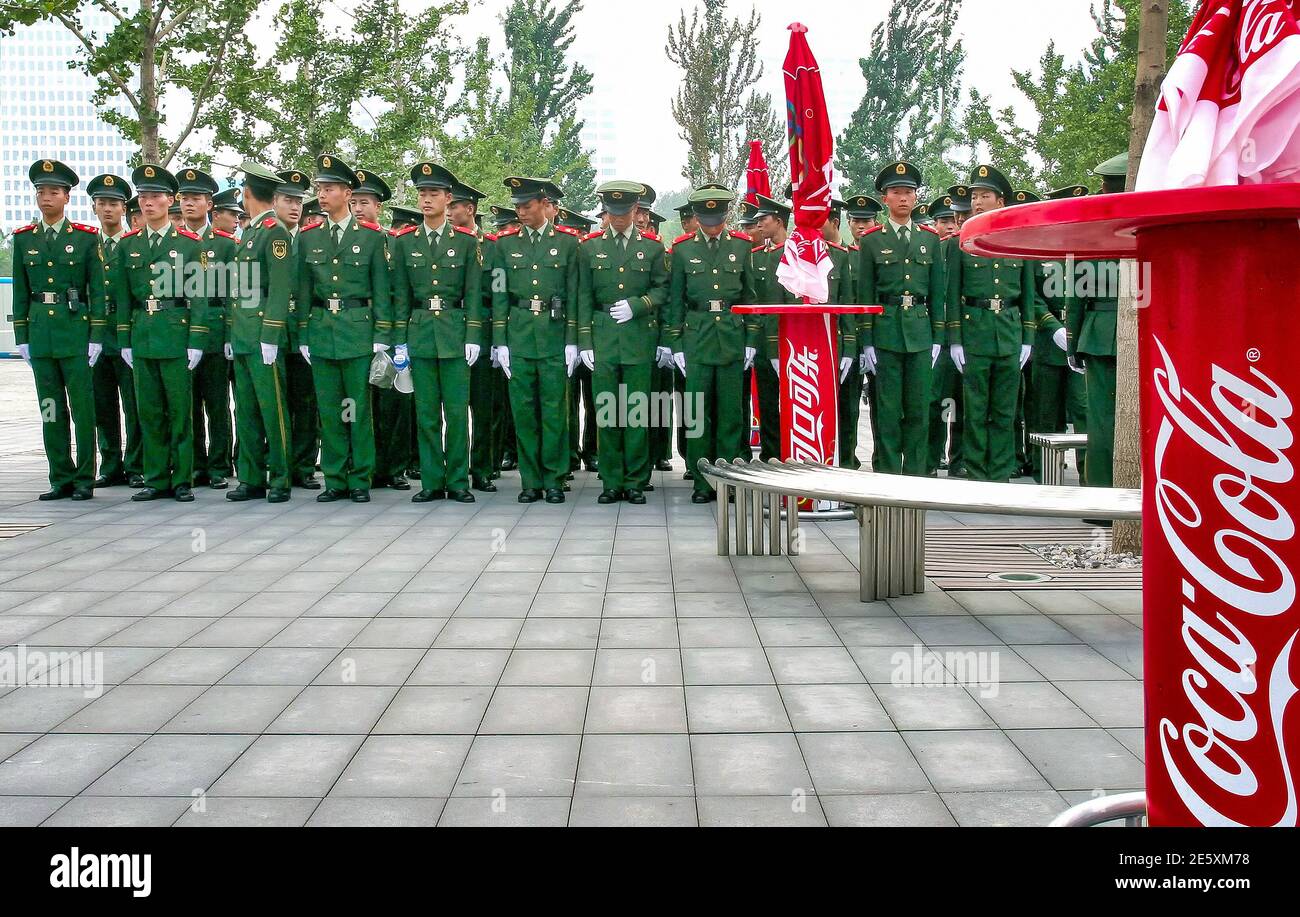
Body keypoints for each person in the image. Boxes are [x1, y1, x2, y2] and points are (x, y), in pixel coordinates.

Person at [296, 154, 393, 503]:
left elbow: (381, 290)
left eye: (330, 188)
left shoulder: (370, 237)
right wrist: (304, 335)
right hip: (322, 330)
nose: (323, 195)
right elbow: (304, 291)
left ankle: (360, 478)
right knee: (330, 410)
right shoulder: (308, 237)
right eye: (320, 188)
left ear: (348, 193)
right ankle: (334, 478)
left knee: (358, 408)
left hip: (357, 332)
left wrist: (383, 336)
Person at [112, 163, 211, 502]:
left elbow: (199, 295)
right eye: (143, 196)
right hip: (143, 334)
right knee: (149, 410)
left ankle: (182, 478)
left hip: (175, 331)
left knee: (179, 409)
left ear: (170, 200)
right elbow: (123, 297)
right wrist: (124, 338)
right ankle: (155, 477)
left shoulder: (188, 244)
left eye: (155, 196)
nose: (148, 202)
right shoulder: (128, 245)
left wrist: (197, 339)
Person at [390, 161, 485, 503]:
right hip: (420, 333)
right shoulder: (404, 242)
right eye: (422, 194)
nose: (426, 200)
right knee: (427, 413)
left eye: (433, 194)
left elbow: (473, 293)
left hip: (454, 333)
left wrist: (473, 335)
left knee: (457, 414)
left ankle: (458, 480)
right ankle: (432, 480)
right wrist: (399, 340)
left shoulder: (465, 241)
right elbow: (401, 295)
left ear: (448, 198)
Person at [12, 158, 107, 501]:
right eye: (41, 191)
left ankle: (85, 477)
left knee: (82, 409)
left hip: (75, 333)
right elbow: (20, 293)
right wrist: (21, 337)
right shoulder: (24, 239)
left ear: (67, 197)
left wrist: (96, 336)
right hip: (41, 336)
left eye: (54, 191)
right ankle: (60, 476)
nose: (46, 197)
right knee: (50, 408)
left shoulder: (84, 238)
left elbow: (97, 291)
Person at [577, 180, 669, 504]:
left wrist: (638, 304)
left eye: (624, 211)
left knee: (635, 411)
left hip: (638, 336)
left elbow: (662, 290)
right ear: (606, 211)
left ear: (635, 210)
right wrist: (584, 342)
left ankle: (635, 481)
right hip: (602, 334)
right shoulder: (589, 248)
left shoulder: (654, 248)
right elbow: (583, 297)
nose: (618, 218)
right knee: (606, 410)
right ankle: (611, 480)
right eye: (612, 212)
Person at [664, 186, 757, 503]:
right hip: (697, 335)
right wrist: (675, 343)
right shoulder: (682, 250)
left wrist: (752, 340)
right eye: (706, 217)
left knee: (731, 413)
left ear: (725, 216)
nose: (712, 224)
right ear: (697, 217)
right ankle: (703, 481)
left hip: (732, 335)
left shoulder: (743, 247)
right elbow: (675, 301)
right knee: (699, 413)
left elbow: (750, 297)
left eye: (717, 217)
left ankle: (729, 480)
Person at [946, 164, 1037, 483]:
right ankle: (977, 472)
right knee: (976, 408)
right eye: (975, 196)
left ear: (1001, 201)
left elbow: (1027, 293)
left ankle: (999, 473)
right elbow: (952, 291)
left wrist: (1027, 337)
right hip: (976, 332)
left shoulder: (1017, 240)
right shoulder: (961, 242)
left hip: (1009, 332)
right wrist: (955, 339)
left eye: (985, 196)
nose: (977, 202)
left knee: (1005, 410)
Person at [490, 177, 579, 504]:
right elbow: (499, 295)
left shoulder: (569, 244)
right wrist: (500, 341)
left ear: (544, 204)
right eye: (517, 206)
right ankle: (530, 480)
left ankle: (554, 479)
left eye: (527, 206)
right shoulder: (505, 244)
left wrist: (573, 340)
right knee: (524, 412)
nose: (521, 212)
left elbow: (574, 294)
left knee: (554, 411)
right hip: (520, 335)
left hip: (554, 336)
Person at [857, 161, 945, 476]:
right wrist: (866, 342)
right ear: (885, 198)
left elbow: (938, 293)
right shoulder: (871, 241)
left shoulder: (930, 239)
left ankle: (917, 475)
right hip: (886, 333)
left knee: (920, 409)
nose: (904, 198)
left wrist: (938, 338)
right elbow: (865, 295)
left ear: (916, 196)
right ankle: (888, 473)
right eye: (897, 192)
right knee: (888, 410)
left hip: (920, 332)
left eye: (909, 192)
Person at [223, 162, 294, 504]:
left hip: (263, 332)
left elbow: (280, 288)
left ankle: (280, 475)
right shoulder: (250, 233)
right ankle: (251, 476)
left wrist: (271, 334)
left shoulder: (274, 232)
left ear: (246, 193)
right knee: (246, 408)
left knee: (273, 408)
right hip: (243, 332)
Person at [1066, 154, 1126, 490]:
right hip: (1141, 333)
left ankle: (1101, 493)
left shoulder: (1090, 232)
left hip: (1099, 333)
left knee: (1101, 419)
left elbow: (1076, 294)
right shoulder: (1150, 224)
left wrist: (1073, 343)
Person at [177, 167, 236, 490]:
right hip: (181, 329)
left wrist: (228, 333)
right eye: (185, 198)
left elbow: (232, 295)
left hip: (214, 330)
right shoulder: (173, 241)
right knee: (188, 404)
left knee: (216, 403)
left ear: (209, 204)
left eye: (196, 198)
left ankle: (218, 465)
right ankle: (195, 464)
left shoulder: (225, 245)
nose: (189, 204)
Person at [1027, 186, 1091, 483]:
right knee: (1045, 410)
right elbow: (1032, 296)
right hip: (1049, 339)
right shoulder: (1039, 249)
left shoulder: (1091, 247)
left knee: (1082, 409)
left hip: (1080, 341)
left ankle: (1088, 473)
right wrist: (1052, 326)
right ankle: (1045, 473)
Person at [87, 172, 143, 489]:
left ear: (124, 208)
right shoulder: (86, 244)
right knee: (102, 405)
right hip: (96, 334)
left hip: (128, 334)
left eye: (114, 203)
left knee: (134, 404)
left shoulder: (132, 244)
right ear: (94, 207)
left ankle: (136, 464)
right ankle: (110, 465)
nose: (107, 209)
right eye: (102, 203)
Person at [273, 169, 320, 489]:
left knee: (306, 403)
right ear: (273, 201)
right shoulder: (265, 236)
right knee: (278, 401)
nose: (294, 207)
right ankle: (279, 463)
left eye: (298, 201)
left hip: (305, 329)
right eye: (287, 200)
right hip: (274, 329)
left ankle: (303, 465)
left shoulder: (309, 240)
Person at [748, 194, 793, 463]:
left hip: (793, 341)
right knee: (767, 403)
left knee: (792, 403)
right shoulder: (758, 256)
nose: (759, 224)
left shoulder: (797, 254)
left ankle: (792, 452)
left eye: (763, 219)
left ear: (778, 220)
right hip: (765, 341)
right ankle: (770, 454)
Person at [558, 206, 599, 475]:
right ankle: (570, 452)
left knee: (595, 401)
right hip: (565, 339)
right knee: (567, 402)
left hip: (594, 338)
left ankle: (593, 451)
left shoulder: (589, 253)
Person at [822, 198, 862, 469]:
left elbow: (850, 306)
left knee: (847, 408)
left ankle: (846, 462)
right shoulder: (799, 255)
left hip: (843, 342)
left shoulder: (849, 257)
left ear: (834, 222)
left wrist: (850, 346)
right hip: (812, 345)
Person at [924, 194, 961, 477]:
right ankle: (931, 456)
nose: (949, 226)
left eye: (952, 220)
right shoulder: (929, 252)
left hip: (962, 337)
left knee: (960, 401)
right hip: (936, 339)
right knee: (933, 400)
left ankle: (958, 459)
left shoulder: (963, 249)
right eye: (943, 221)